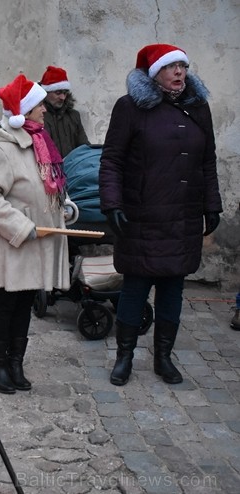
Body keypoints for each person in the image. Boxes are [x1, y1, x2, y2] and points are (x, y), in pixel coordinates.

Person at [99, 44, 222, 386]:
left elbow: (207, 160)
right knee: (135, 289)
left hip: (182, 217)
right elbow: (112, 160)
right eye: (172, 67)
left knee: (172, 290)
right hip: (142, 216)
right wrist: (112, 203)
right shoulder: (130, 108)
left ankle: (163, 358)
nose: (180, 72)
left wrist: (212, 204)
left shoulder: (199, 108)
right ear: (155, 74)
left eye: (183, 66)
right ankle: (124, 358)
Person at [0, 74, 72, 394]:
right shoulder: (2, 148)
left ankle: (16, 363)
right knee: (5, 304)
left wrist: (64, 204)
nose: (45, 109)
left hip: (36, 242)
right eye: (40, 104)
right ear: (25, 111)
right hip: (11, 244)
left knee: (25, 302)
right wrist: (21, 227)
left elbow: (49, 183)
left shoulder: (39, 141)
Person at [39, 65, 90, 158]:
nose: (62, 97)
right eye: (58, 93)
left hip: (72, 169)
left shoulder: (74, 116)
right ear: (45, 92)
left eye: (65, 93)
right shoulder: (38, 116)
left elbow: (84, 147)